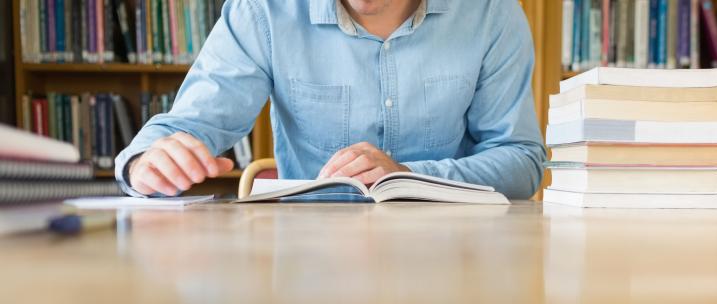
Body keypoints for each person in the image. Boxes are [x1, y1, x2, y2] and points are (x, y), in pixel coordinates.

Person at [115, 0, 546, 199]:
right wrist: (143, 165)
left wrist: (409, 176)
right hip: (310, 268)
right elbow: (185, 126)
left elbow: (521, 161)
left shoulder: (491, 13)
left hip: (457, 262)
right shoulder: (264, 11)